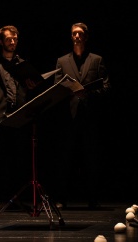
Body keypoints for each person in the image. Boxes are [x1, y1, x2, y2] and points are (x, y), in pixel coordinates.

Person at [51, 22, 111, 209]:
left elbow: (106, 87)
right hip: (68, 118)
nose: (76, 36)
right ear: (71, 37)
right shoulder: (62, 61)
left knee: (91, 159)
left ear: (85, 36)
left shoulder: (96, 60)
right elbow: (56, 87)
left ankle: (92, 199)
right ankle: (62, 199)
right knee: (65, 160)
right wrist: (70, 92)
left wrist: (89, 94)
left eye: (80, 34)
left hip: (90, 117)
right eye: (73, 34)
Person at [0, 25, 40, 210]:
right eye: (8, 39)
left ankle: (14, 198)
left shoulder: (22, 63)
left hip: (18, 116)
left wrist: (31, 86)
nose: (12, 42)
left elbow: (27, 88)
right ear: (2, 42)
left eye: (15, 39)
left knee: (16, 160)